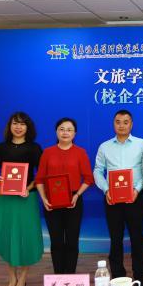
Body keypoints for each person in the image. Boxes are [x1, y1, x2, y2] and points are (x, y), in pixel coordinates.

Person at [0, 111, 43, 286]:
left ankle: (22, 279)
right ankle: (11, 278)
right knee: (9, 236)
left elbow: (41, 175)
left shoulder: (34, 148)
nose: (18, 127)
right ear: (9, 126)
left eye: (22, 124)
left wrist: (28, 187)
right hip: (6, 199)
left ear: (28, 127)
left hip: (26, 198)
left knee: (25, 236)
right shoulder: (1, 148)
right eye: (15, 123)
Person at [93, 109, 143, 286]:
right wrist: (106, 189)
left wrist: (137, 189)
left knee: (137, 239)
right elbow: (97, 171)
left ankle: (139, 278)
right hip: (112, 199)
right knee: (115, 239)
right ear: (113, 124)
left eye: (126, 122)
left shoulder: (142, 144)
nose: (122, 125)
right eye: (118, 122)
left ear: (131, 124)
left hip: (135, 198)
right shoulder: (105, 147)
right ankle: (118, 278)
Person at [36, 117, 94, 274]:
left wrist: (77, 195)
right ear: (56, 132)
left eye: (69, 130)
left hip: (73, 200)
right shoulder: (47, 152)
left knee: (72, 241)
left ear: (75, 133)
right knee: (56, 242)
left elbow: (89, 179)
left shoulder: (80, 152)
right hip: (51, 201)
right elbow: (39, 179)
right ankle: (58, 276)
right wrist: (44, 198)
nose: (65, 132)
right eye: (62, 129)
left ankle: (70, 276)